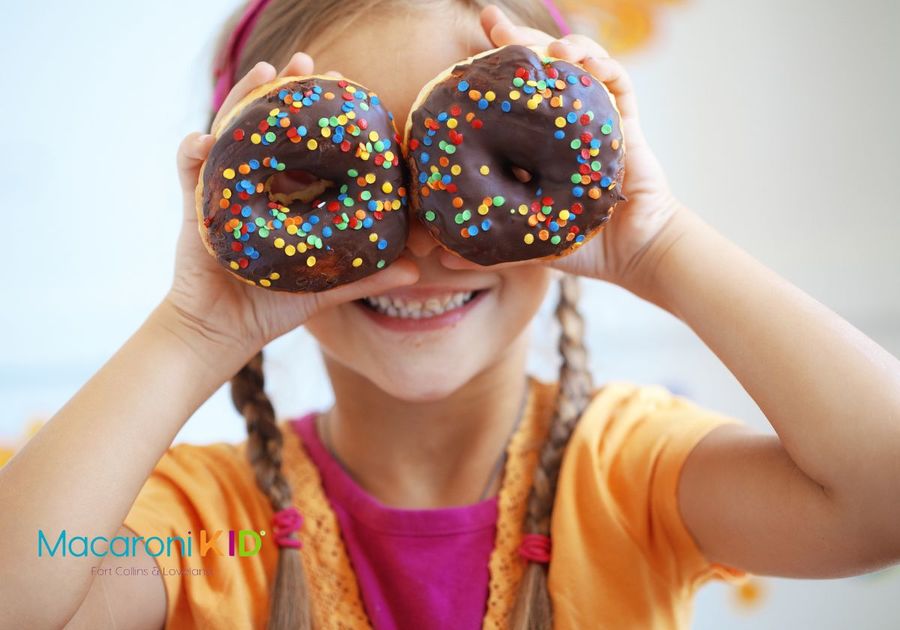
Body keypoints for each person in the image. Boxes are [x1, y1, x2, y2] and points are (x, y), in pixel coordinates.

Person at [2, 1, 899, 629]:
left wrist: (658, 244)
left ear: (570, 180)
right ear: (248, 210)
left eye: (481, 172)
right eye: (338, 186)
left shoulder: (626, 477)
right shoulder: (213, 526)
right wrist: (196, 329)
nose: (422, 249)